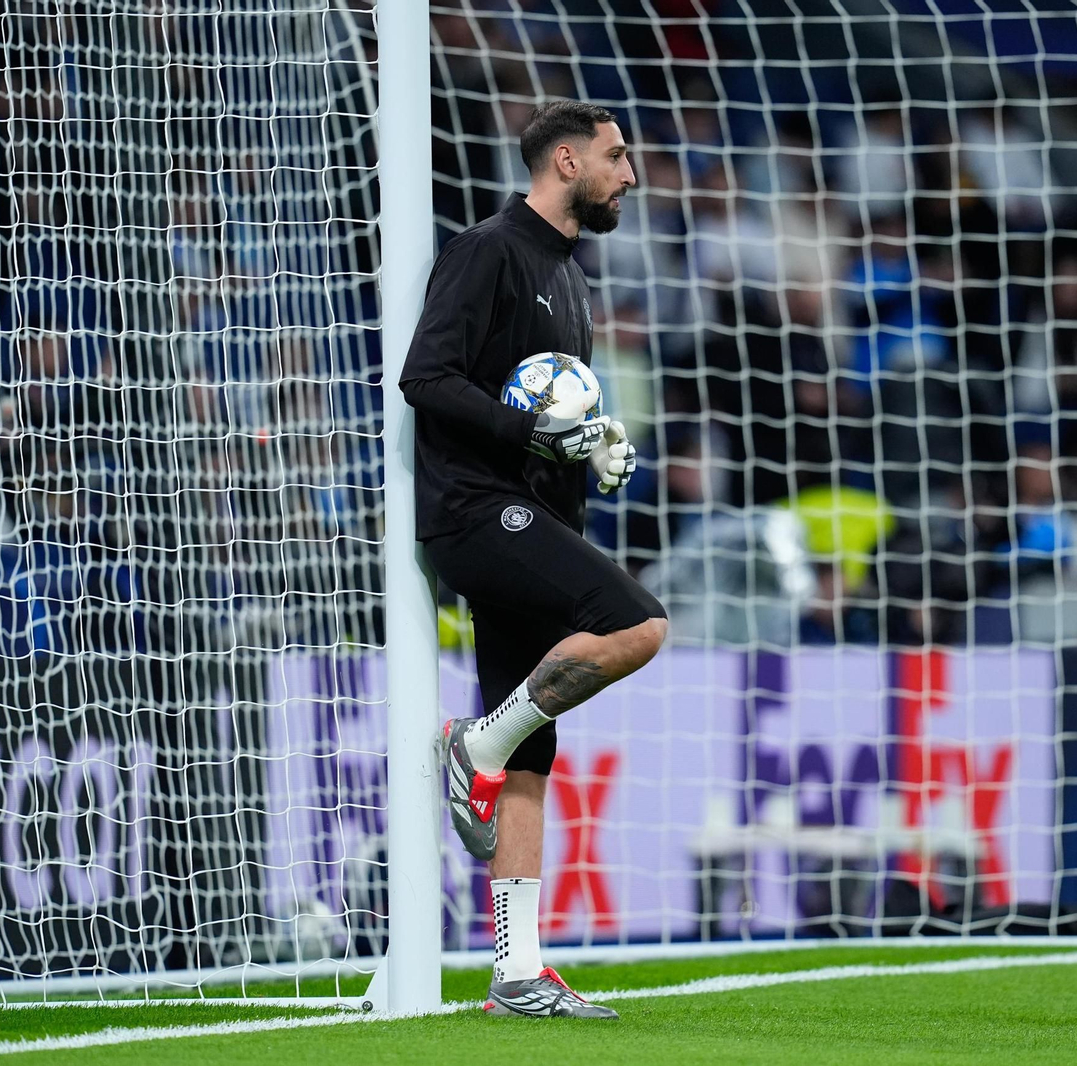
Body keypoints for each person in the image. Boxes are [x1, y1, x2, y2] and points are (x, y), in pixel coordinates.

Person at [398, 100, 665, 1019]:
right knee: (639, 625)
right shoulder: (488, 250)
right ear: (566, 161)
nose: (629, 174)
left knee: (531, 755)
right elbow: (427, 378)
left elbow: (551, 412)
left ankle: (516, 974)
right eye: (616, 156)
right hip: (476, 512)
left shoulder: (570, 275)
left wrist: (595, 445)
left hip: (532, 512)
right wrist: (536, 433)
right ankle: (470, 745)